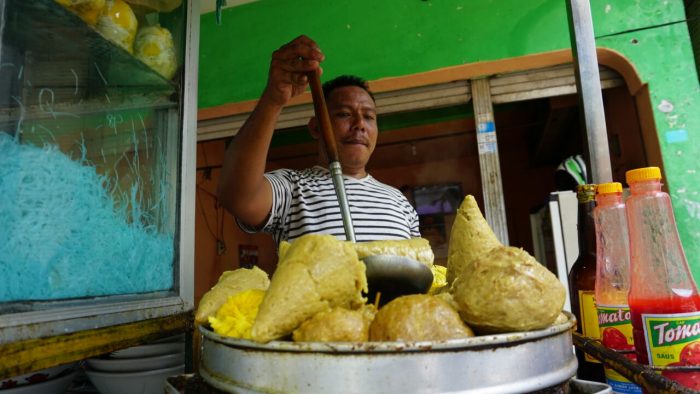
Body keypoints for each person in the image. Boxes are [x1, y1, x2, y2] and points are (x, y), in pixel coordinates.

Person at [217, 35, 420, 246]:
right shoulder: (292, 187)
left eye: (369, 116)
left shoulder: (400, 202)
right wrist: (273, 98)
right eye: (344, 114)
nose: (360, 124)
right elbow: (237, 198)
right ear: (316, 127)